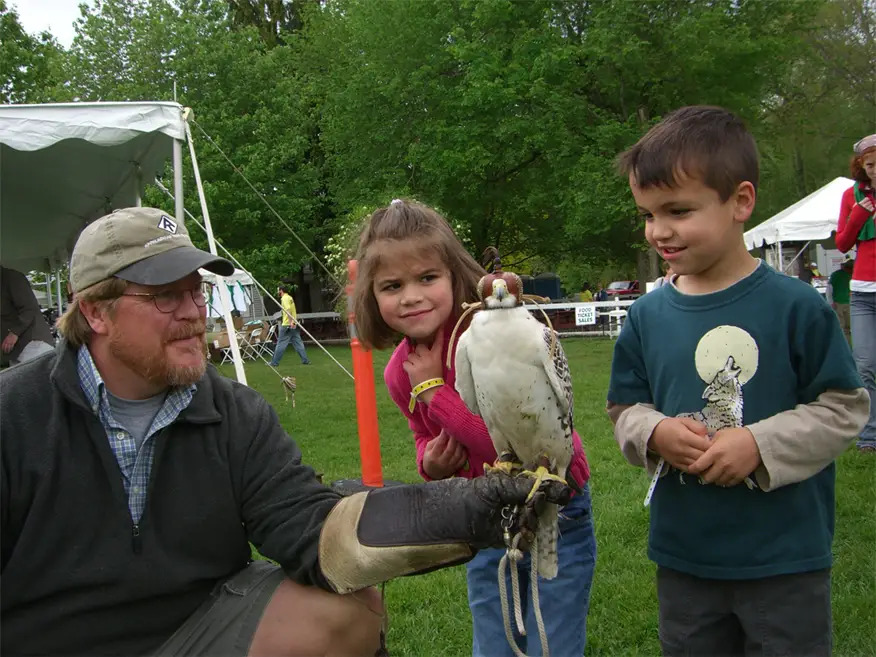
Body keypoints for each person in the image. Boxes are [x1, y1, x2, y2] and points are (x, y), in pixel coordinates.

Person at [0, 206, 571, 657]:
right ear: (94, 312)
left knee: (348, 609)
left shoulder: (235, 414)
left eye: (196, 290)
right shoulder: (14, 414)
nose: (194, 312)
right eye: (163, 296)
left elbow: (311, 532)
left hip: (196, 631)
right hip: (46, 639)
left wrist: (465, 508)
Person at [606, 107, 869, 657]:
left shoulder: (796, 306)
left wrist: (759, 442)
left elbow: (844, 407)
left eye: (678, 211)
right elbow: (625, 407)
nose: (659, 231)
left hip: (784, 557)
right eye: (648, 215)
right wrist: (654, 432)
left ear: (740, 202)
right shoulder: (646, 317)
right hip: (684, 557)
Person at [352, 199, 596, 657]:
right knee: (495, 640)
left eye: (427, 278)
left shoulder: (492, 339)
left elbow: (505, 442)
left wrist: (433, 391)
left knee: (555, 642)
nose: (411, 295)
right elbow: (424, 434)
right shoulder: (396, 373)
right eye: (392, 285)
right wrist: (429, 461)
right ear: (372, 295)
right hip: (487, 518)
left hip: (557, 503)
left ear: (455, 276)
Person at [836, 133, 876, 452]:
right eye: (871, 165)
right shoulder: (851, 196)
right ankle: (869, 436)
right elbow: (842, 243)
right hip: (862, 291)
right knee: (865, 364)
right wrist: (860, 214)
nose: (875, 170)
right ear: (861, 166)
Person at [0, 265, 55, 367]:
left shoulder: (12, 278)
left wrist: (14, 332)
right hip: (16, 352)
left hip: (33, 345)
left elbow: (29, 308)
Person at [268, 283, 310, 367]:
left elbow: (288, 310)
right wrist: (293, 322)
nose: (278, 292)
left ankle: (274, 362)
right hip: (293, 323)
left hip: (287, 324)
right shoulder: (290, 297)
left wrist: (290, 322)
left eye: (278, 290)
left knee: (281, 344)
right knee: (298, 343)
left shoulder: (284, 298)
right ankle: (305, 360)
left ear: (281, 291)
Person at [827, 256, 854, 343]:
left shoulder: (851, 275)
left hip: (848, 302)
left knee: (848, 326)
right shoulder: (836, 275)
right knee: (841, 326)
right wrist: (831, 302)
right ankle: (843, 343)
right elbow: (829, 289)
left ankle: (848, 343)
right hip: (838, 303)